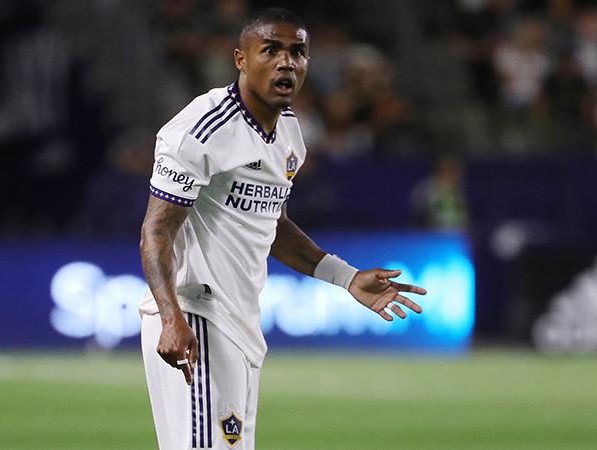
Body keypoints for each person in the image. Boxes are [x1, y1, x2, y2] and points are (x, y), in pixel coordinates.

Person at [139, 8, 427, 449]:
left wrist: (346, 277)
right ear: (240, 59)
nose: (286, 63)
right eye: (270, 50)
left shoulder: (290, 132)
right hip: (195, 314)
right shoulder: (201, 130)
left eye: (298, 52)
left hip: (239, 324)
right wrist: (171, 317)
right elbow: (156, 231)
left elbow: (272, 224)